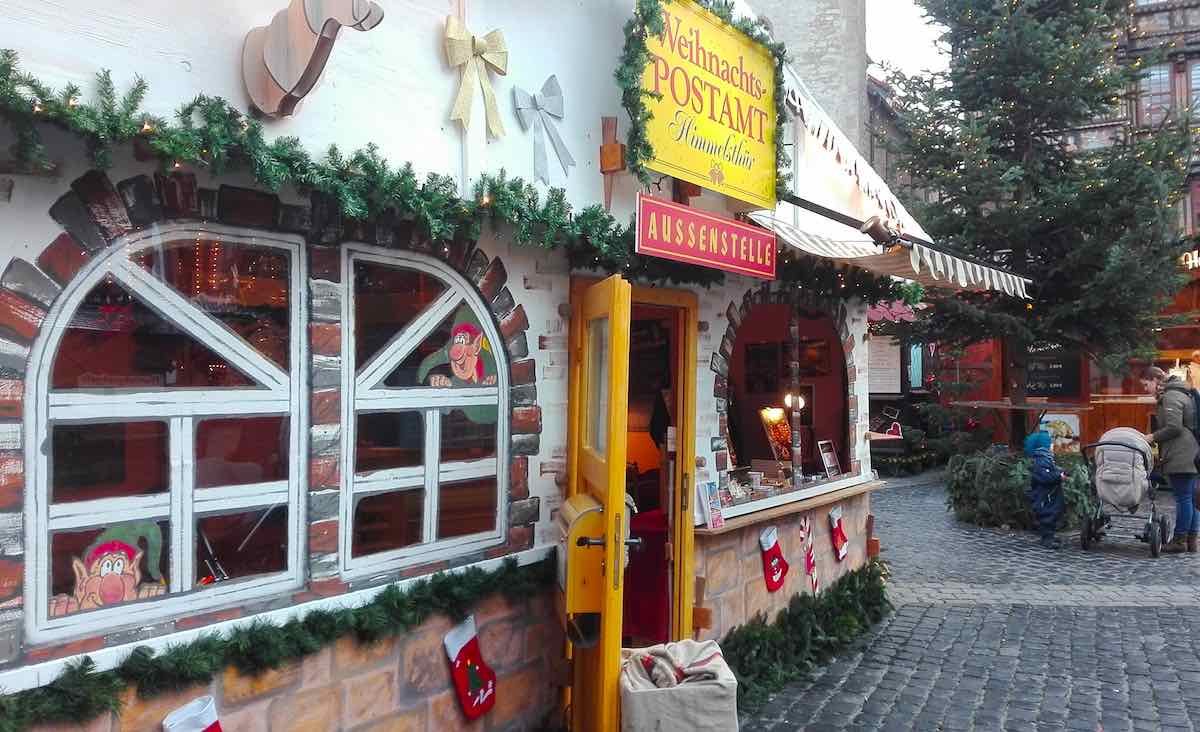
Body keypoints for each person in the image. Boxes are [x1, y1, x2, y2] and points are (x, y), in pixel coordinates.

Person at [1142, 366, 1199, 553]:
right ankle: (1191, 540)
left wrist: (1152, 437)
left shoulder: (1171, 396)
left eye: (1145, 384)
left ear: (1155, 380)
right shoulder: (1180, 392)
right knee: (1191, 498)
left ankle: (1180, 540)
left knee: (1184, 498)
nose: (1145, 389)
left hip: (1181, 453)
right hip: (1190, 452)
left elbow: (1174, 427)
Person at [1024, 429, 1064, 549]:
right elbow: (1045, 477)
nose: (1052, 445)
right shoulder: (1041, 460)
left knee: (1053, 513)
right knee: (1048, 514)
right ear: (1044, 446)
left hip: (1050, 494)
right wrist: (1059, 476)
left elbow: (1050, 470)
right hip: (1045, 495)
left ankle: (1049, 535)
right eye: (1050, 443)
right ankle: (1047, 539)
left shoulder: (1046, 458)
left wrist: (1060, 471)